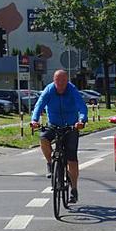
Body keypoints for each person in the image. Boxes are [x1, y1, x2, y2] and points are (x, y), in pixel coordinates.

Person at [31, 70, 88, 204]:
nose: (61, 84)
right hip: (54, 125)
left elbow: (82, 107)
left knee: (72, 159)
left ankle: (74, 189)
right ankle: (50, 163)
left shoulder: (72, 90)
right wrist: (34, 120)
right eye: (58, 81)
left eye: (63, 81)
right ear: (54, 80)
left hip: (71, 126)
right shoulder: (49, 90)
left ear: (67, 80)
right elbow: (39, 105)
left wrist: (81, 121)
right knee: (43, 138)